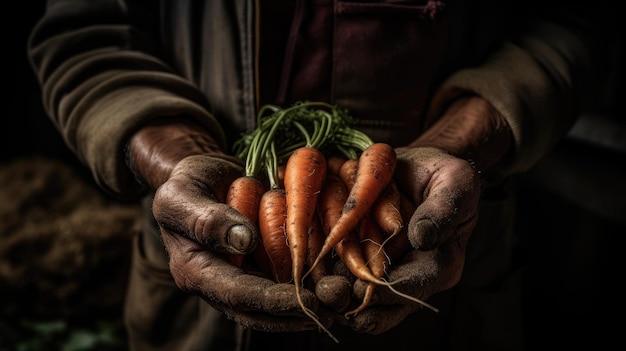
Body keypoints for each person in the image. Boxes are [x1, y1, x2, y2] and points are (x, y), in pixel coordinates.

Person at [27, 1, 610, 350]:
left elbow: (577, 22)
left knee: (356, 223)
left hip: (449, 303)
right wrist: (177, 160)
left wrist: (453, 144)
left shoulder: (368, 177)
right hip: (197, 319)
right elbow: (87, 34)